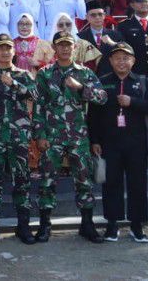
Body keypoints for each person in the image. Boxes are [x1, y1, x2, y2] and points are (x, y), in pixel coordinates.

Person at [32, 32, 107, 244]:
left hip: (78, 135)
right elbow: (38, 107)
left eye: (69, 45)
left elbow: (102, 98)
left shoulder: (85, 73)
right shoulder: (46, 74)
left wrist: (81, 88)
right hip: (53, 136)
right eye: (61, 45)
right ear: (54, 48)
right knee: (47, 181)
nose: (65, 49)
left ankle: (87, 225)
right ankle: (45, 226)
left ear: (75, 47)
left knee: (84, 181)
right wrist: (40, 135)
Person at [88, 42, 148, 243]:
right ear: (110, 61)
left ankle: (137, 225)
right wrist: (95, 140)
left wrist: (132, 102)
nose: (121, 62)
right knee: (111, 184)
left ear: (133, 61)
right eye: (117, 58)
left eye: (126, 58)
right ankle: (112, 225)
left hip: (137, 142)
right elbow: (93, 115)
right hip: (110, 142)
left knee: (138, 183)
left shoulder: (143, 82)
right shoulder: (101, 82)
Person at [0, 34, 37, 245]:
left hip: (19, 137)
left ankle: (24, 227)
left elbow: (34, 96)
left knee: (22, 181)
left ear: (14, 51)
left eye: (8, 48)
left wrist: (13, 84)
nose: (4, 52)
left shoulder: (24, 75)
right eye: (0, 48)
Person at [78, 0, 119, 76]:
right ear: (87, 17)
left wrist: (112, 43)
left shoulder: (115, 35)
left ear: (104, 16)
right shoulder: (80, 37)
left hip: (110, 77)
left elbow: (124, 51)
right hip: (88, 78)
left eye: (100, 14)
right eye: (93, 15)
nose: (97, 17)